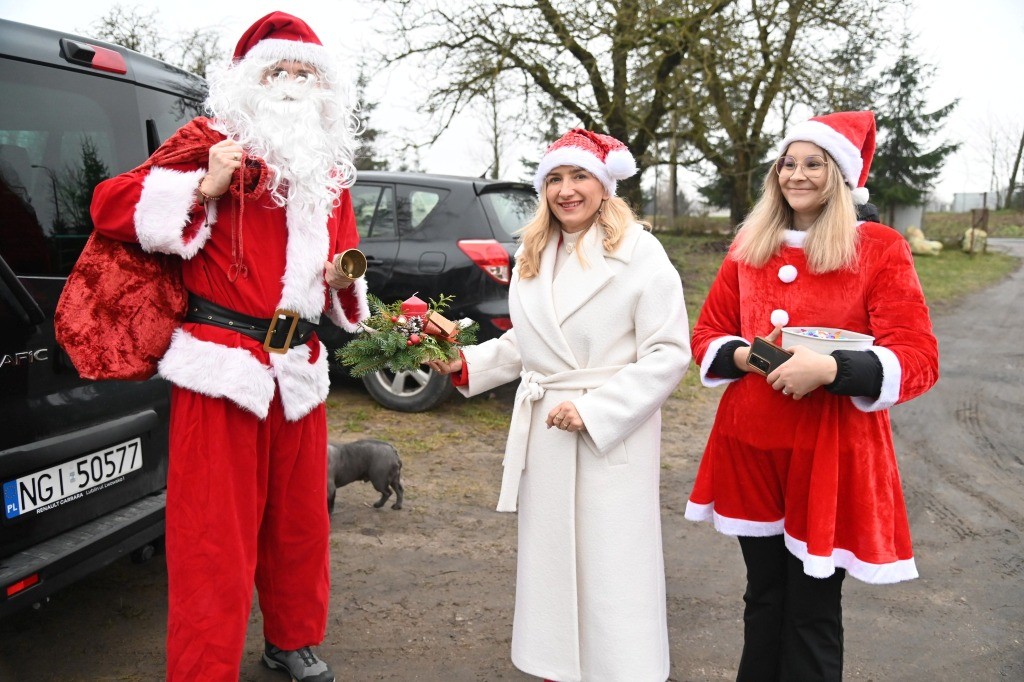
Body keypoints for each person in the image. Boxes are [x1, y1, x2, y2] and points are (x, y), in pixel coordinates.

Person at [88, 12, 368, 682]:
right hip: (222, 367)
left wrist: (340, 279)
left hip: (298, 369)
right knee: (212, 533)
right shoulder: (210, 141)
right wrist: (204, 185)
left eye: (306, 73)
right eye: (280, 70)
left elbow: (348, 258)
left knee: (301, 523)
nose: (294, 84)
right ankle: (202, 667)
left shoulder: (327, 166)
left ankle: (292, 639)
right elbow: (109, 205)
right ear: (251, 81)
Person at [683, 110, 939, 680]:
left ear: (841, 175)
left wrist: (829, 370)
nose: (797, 175)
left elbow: (920, 359)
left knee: (813, 609)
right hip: (751, 446)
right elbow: (706, 334)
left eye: (813, 163)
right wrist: (752, 357)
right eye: (788, 163)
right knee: (764, 597)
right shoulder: (751, 243)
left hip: (831, 451)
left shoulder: (878, 247)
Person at [428, 129, 691, 682]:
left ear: (605, 184)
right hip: (547, 437)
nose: (566, 191)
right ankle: (557, 668)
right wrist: (466, 365)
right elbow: (531, 342)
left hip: (610, 433)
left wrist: (596, 410)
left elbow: (668, 354)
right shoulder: (534, 253)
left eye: (579, 177)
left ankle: (622, 671)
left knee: (612, 565)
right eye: (554, 179)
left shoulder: (642, 254)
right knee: (553, 564)